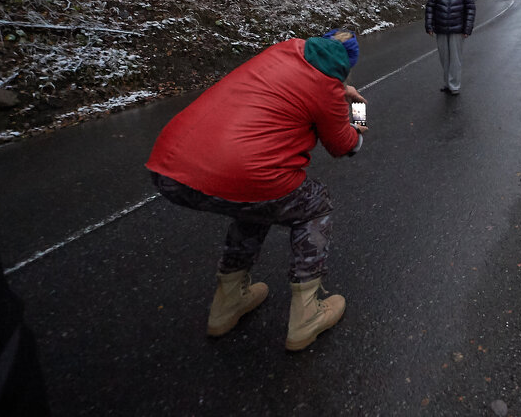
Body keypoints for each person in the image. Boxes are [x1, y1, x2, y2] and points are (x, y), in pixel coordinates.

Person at [145, 29, 366, 352]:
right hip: (246, 171)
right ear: (347, 67)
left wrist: (336, 90)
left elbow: (292, 89)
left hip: (170, 164)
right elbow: (345, 146)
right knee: (314, 205)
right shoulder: (327, 88)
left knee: (254, 205)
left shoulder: (283, 51)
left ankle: (228, 302)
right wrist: (357, 117)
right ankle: (307, 313)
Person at [425, 0, 476, 94]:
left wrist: (467, 29)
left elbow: (470, 10)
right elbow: (430, 8)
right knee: (444, 59)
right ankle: (448, 84)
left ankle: (454, 86)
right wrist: (429, 26)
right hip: (441, 30)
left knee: (455, 59)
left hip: (457, 31)